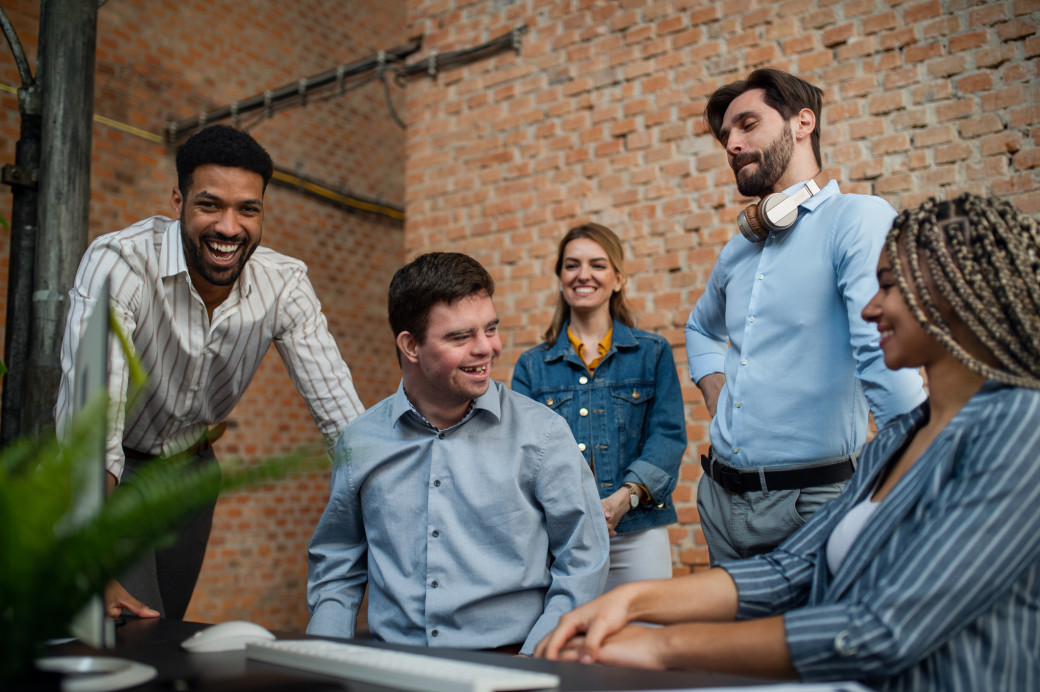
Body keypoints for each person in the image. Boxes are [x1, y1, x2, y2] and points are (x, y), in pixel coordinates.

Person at [536, 194, 1040, 690]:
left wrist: (661, 646)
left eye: (887, 286)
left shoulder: (1023, 429)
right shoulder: (899, 439)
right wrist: (633, 602)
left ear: (950, 291)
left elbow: (880, 629)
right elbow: (791, 567)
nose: (868, 308)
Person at [54, 124, 365, 620]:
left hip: (194, 473)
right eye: (209, 205)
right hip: (119, 472)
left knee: (167, 627)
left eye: (247, 209)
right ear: (178, 201)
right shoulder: (120, 263)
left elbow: (344, 423)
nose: (228, 227)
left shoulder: (284, 284)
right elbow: (92, 422)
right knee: (132, 627)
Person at [306, 252, 609, 655]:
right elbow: (339, 566)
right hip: (395, 666)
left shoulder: (543, 435)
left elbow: (583, 563)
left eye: (491, 328)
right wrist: (321, 659)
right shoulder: (361, 441)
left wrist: (532, 665)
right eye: (461, 337)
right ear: (411, 345)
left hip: (514, 664)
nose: (487, 349)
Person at [685, 68, 925, 563]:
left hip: (814, 505)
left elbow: (883, 357)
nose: (732, 143)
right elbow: (699, 329)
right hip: (720, 502)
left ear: (802, 122)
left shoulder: (857, 219)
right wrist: (719, 399)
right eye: (725, 135)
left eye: (747, 124)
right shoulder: (737, 250)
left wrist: (920, 480)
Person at [512, 223, 686, 591]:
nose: (583, 275)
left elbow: (668, 436)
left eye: (598, 264)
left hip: (637, 533)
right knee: (567, 644)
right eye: (572, 265)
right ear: (560, 277)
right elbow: (523, 455)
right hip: (562, 538)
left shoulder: (652, 353)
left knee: (643, 640)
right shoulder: (532, 366)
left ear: (618, 279)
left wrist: (625, 498)